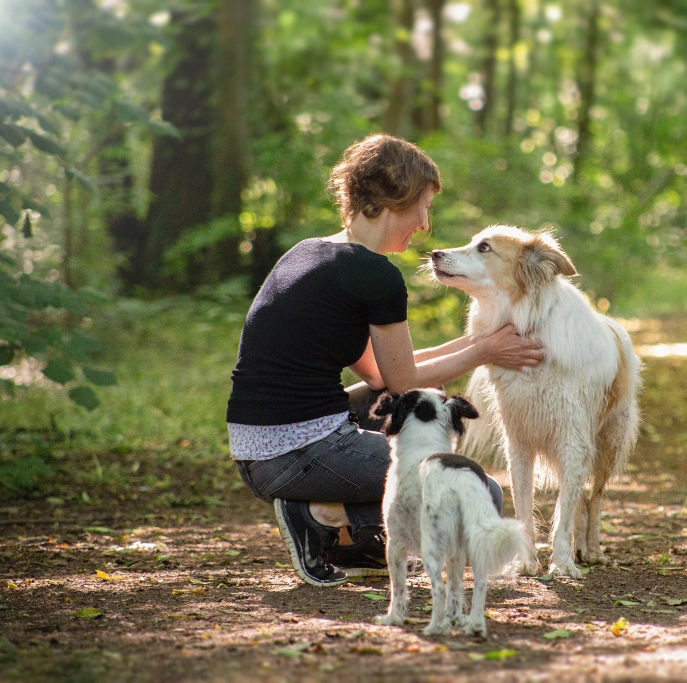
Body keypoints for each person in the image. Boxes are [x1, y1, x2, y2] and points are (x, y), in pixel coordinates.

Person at [226, 134, 543, 586]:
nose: (425, 225)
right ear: (397, 197)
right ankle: (322, 516)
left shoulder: (310, 252)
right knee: (479, 490)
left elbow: (380, 373)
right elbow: (403, 382)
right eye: (423, 207)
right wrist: (485, 352)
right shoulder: (376, 275)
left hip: (255, 450)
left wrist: (477, 342)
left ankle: (349, 540)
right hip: (291, 453)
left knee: (414, 406)